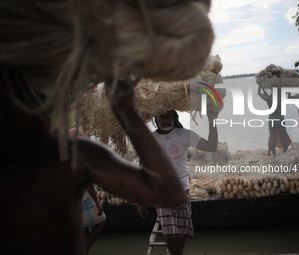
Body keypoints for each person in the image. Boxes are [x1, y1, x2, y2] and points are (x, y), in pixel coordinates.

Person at [0, 74, 186, 255]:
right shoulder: (70, 155)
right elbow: (169, 193)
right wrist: (126, 111)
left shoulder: (69, 154)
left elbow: (169, 194)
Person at [137, 109, 220, 255]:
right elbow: (143, 166)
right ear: (155, 117)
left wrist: (212, 121)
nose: (165, 118)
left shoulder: (184, 134)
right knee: (169, 233)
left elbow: (211, 147)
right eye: (161, 114)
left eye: (168, 114)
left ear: (174, 116)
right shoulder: (150, 139)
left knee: (181, 232)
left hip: (183, 190)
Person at [69, 128, 106, 254]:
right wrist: (97, 202)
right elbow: (88, 183)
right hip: (83, 199)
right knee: (101, 221)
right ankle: (84, 249)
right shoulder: (81, 157)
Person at [258, 79, 292, 155]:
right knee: (283, 134)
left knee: (272, 136)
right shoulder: (281, 97)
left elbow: (259, 93)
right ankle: (285, 151)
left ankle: (272, 154)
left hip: (272, 118)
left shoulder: (269, 99)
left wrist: (260, 85)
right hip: (280, 118)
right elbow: (287, 92)